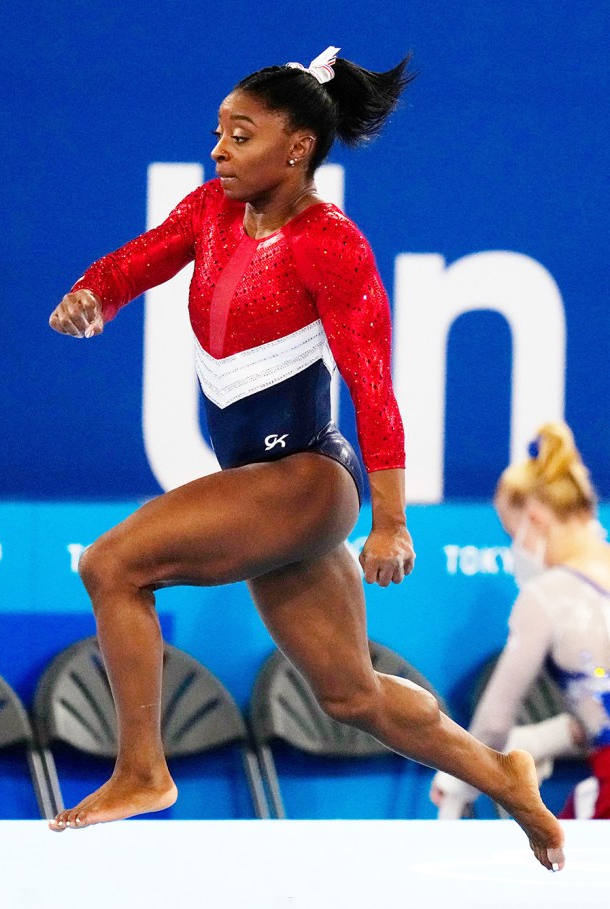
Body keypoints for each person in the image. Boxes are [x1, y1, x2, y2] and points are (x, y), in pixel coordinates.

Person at [47, 46, 564, 870]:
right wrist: (93, 295)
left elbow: (375, 386)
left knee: (113, 565)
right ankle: (505, 778)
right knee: (349, 692)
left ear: (295, 150)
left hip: (306, 480)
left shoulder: (330, 245)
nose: (218, 149)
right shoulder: (211, 209)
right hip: (261, 482)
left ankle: (143, 770)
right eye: (218, 131)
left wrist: (391, 522)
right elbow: (140, 258)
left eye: (239, 135)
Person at [432, 421, 610, 822]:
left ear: (536, 519)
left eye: (514, 536)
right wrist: (544, 738)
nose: (518, 550)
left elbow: (493, 725)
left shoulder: (547, 596)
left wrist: (457, 782)